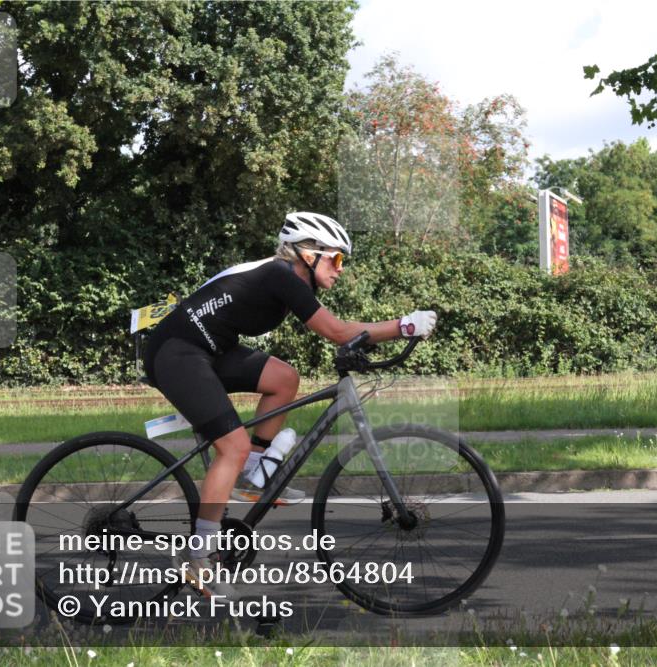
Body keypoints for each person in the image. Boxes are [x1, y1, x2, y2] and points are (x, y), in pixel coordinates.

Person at [142, 212, 437, 599]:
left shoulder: (289, 281)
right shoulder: (281, 275)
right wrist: (403, 326)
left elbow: (339, 333)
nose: (340, 270)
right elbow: (337, 332)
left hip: (210, 350)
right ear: (308, 253)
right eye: (337, 259)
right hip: (177, 352)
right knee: (232, 445)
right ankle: (198, 556)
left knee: (284, 379)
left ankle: (252, 474)